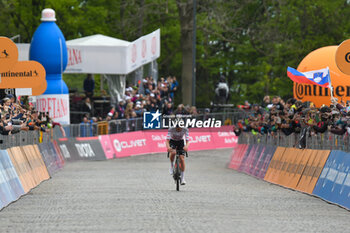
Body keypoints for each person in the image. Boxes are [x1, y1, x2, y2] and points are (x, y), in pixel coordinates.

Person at [165, 118, 190, 185]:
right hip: (173, 141)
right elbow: (167, 140)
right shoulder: (171, 129)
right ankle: (171, 166)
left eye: (180, 128)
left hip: (181, 142)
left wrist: (186, 146)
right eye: (177, 128)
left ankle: (182, 178)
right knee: (173, 152)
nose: (179, 129)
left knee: (182, 158)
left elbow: (187, 140)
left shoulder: (185, 129)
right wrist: (168, 147)